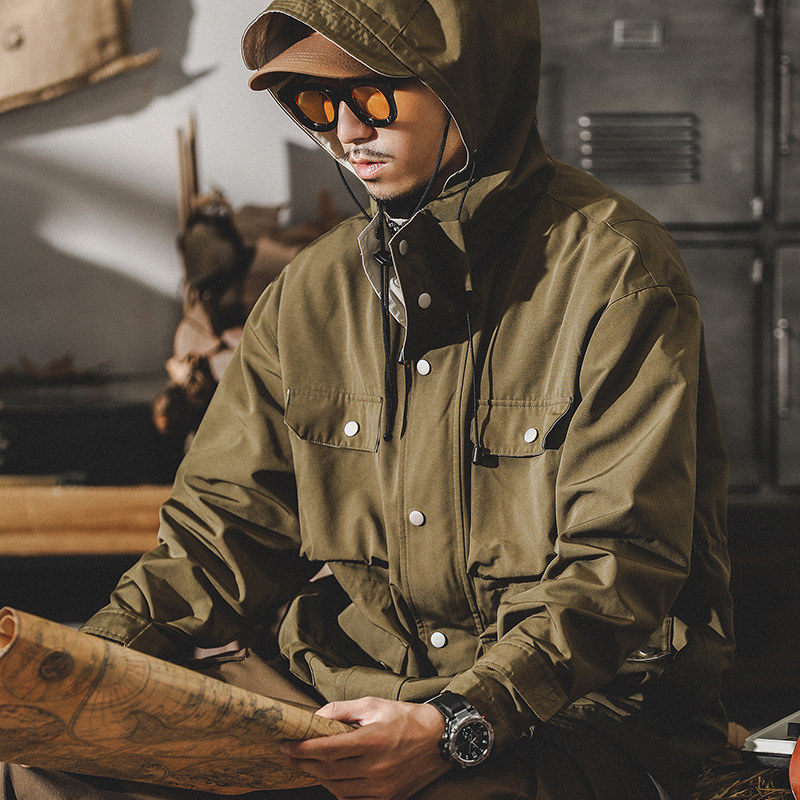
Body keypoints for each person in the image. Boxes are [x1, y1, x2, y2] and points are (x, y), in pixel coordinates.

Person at [1, 1, 735, 799]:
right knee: (43, 765)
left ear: (468, 86)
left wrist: (456, 722)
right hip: (342, 696)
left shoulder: (618, 275)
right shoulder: (308, 294)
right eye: (318, 104)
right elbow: (220, 531)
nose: (348, 131)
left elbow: (617, 567)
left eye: (373, 95)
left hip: (564, 716)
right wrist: (75, 676)